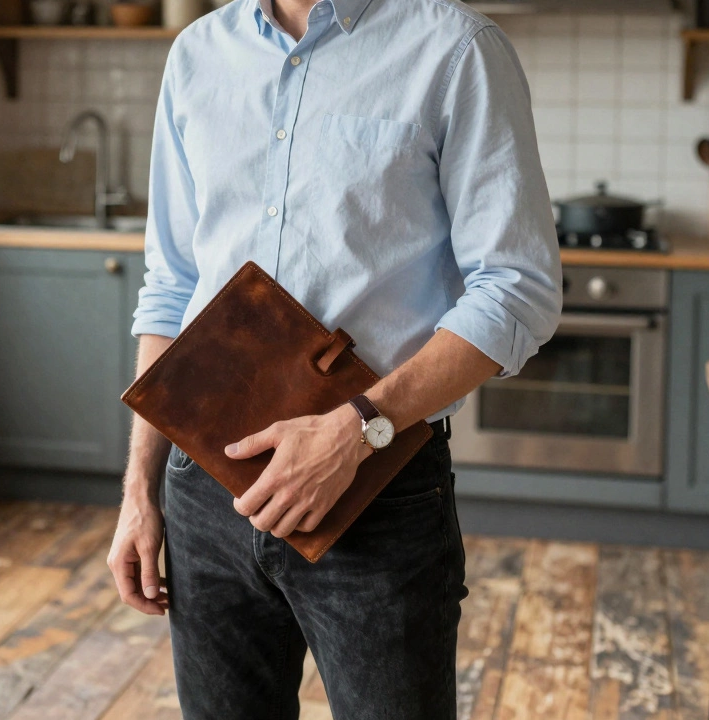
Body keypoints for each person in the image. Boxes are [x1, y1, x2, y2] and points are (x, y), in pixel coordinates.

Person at [105, 0, 563, 717]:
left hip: (377, 492)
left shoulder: (457, 49)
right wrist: (141, 488)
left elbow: (519, 287)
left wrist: (359, 428)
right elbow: (172, 286)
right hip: (203, 494)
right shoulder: (198, 54)